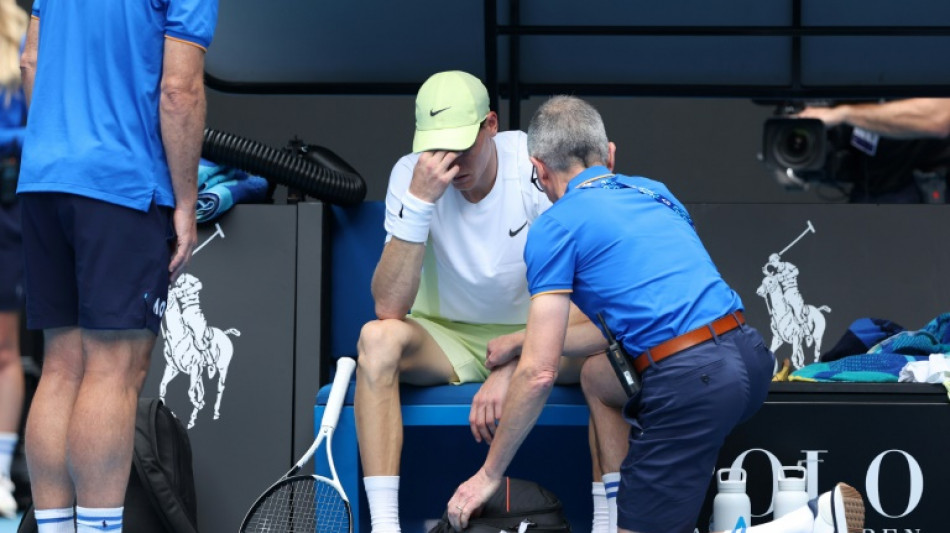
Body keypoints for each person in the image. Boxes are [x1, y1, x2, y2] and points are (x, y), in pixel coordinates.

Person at [445, 95, 865, 533]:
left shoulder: (556, 225)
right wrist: (520, 341)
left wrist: (487, 476)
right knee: (597, 377)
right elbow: (643, 319)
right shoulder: (654, 191)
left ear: (539, 168)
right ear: (609, 154)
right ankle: (616, 520)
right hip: (747, 354)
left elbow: (539, 373)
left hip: (691, 378)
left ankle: (804, 527)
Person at [354, 71, 610, 533]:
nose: (449, 163)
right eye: (437, 147)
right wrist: (419, 202)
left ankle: (609, 523)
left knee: (606, 357)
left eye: (461, 145)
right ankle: (385, 527)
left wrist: (514, 360)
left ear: (491, 125)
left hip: (536, 334)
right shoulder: (411, 176)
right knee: (376, 340)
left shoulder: (534, 166)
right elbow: (388, 307)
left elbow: (588, 297)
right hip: (447, 337)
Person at [17, 0, 216, 531]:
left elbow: (31, 61)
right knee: (112, 372)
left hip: (44, 177)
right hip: (121, 184)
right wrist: (184, 200)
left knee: (61, 367)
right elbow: (180, 91)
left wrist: (62, 144)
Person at [795, 98, 950, 203]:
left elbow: (939, 119)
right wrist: (793, 163)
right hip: (867, 197)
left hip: (927, 194)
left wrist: (844, 114)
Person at [0, 0, 27, 519]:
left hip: (8, 214)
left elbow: (43, 125)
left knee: (4, 348)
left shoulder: (26, 34)